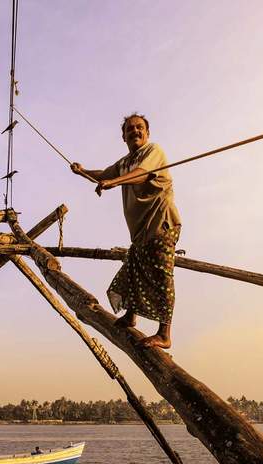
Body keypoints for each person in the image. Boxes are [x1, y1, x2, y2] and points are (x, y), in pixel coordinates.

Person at [71, 113, 181, 348]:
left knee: (162, 276)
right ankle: (131, 316)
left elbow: (141, 173)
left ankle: (164, 334)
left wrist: (114, 183)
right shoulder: (123, 163)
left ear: (147, 132)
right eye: (130, 129)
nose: (135, 132)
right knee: (133, 270)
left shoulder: (154, 152)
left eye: (139, 128)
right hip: (140, 231)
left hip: (161, 223)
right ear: (123, 136)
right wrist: (82, 171)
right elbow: (102, 175)